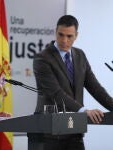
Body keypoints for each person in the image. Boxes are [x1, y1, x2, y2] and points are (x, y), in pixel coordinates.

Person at [32, 15, 113, 150]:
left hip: (75, 130)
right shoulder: (42, 58)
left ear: (76, 35)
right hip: (50, 132)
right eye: (61, 35)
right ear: (55, 32)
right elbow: (56, 93)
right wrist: (84, 111)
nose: (64, 40)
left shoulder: (80, 55)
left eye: (69, 36)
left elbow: (95, 88)